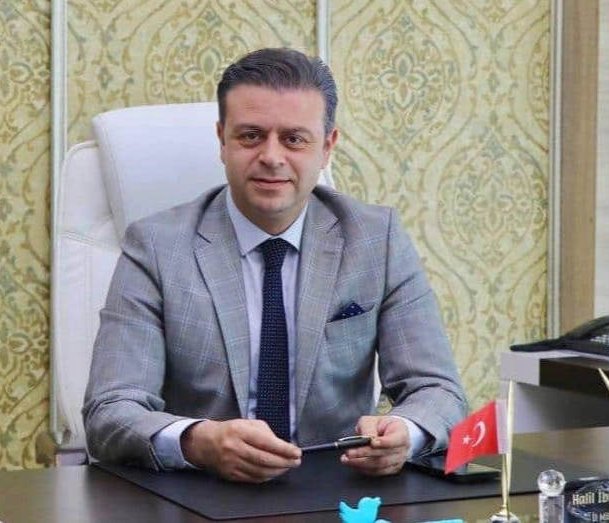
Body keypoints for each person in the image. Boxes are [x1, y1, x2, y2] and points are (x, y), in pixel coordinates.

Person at [82, 47, 467, 483]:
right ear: (222, 141)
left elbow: (438, 391)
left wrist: (405, 433)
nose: (271, 156)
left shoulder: (376, 240)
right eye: (251, 136)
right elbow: (110, 411)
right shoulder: (156, 247)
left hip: (335, 488)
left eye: (294, 139)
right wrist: (199, 442)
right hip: (199, 490)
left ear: (327, 147)